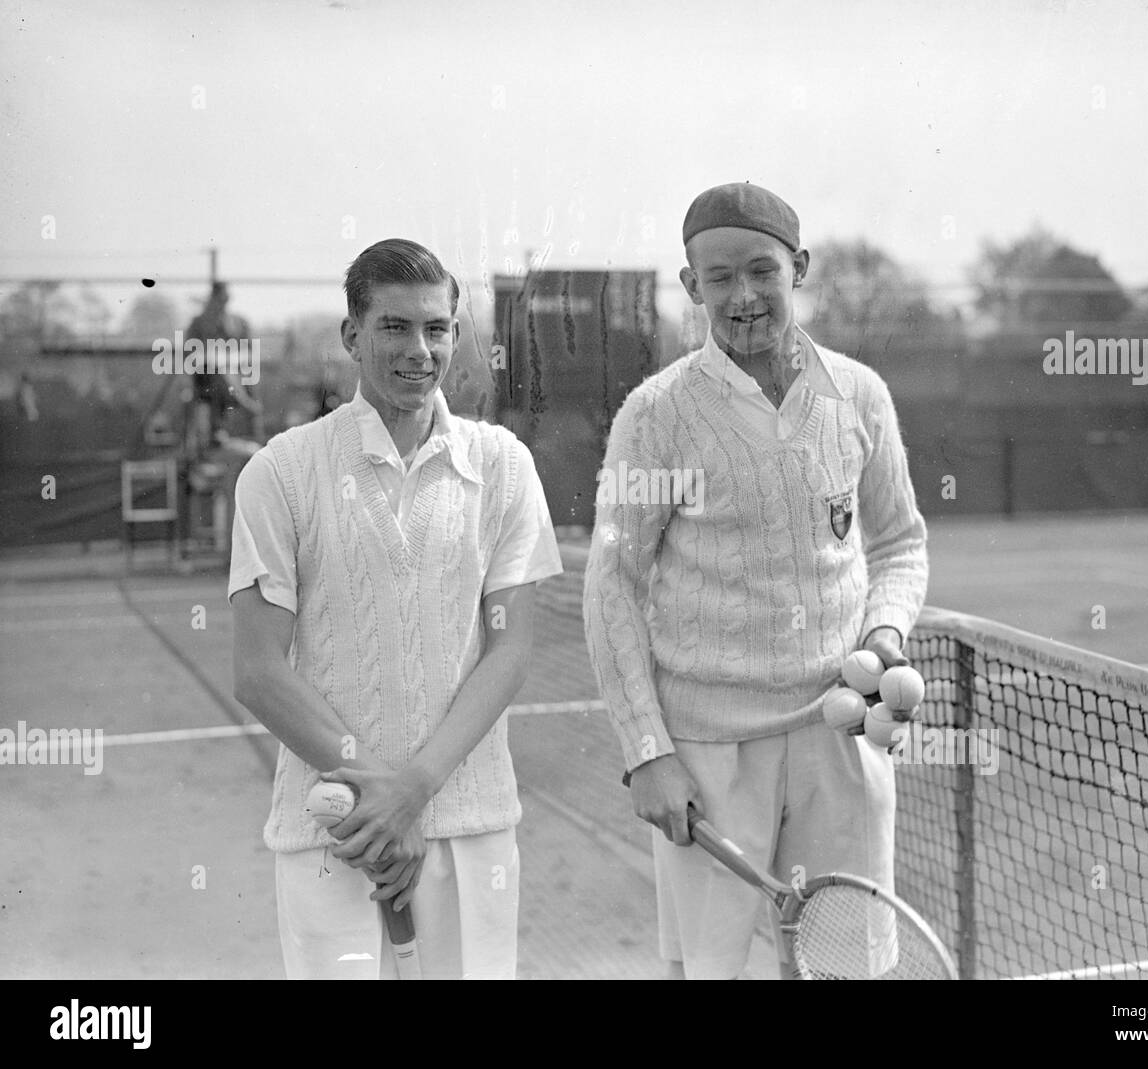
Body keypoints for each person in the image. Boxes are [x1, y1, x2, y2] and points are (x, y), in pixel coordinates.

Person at [584, 183, 928, 980]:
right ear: (689, 285)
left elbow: (901, 542)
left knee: (846, 970)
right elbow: (612, 584)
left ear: (798, 268)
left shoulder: (860, 396)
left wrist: (883, 636)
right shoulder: (654, 414)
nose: (742, 297)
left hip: (839, 744)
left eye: (762, 271)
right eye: (718, 278)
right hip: (707, 756)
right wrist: (647, 752)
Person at [229, 238, 563, 979]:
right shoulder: (280, 472)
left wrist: (411, 791)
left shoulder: (503, 463)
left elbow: (508, 651)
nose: (421, 349)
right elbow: (256, 669)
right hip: (336, 832)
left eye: (437, 328)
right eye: (394, 327)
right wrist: (376, 792)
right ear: (352, 335)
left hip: (471, 831)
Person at [185, 281, 261, 447]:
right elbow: (190, 354)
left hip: (233, 370)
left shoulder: (237, 322)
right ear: (213, 299)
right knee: (219, 376)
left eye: (224, 299)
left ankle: (248, 420)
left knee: (236, 375)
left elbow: (247, 352)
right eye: (219, 299)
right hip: (207, 374)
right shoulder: (199, 323)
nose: (222, 304)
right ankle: (218, 428)